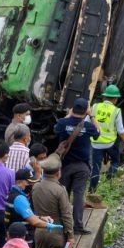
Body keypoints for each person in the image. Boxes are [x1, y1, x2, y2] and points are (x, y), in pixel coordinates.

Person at [53, 97, 100, 234]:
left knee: (63, 195)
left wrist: (69, 114)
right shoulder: (89, 127)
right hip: (82, 166)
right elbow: (99, 132)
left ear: (73, 109)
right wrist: (91, 115)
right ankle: (78, 226)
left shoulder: (62, 123)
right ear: (86, 110)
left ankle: (63, 225)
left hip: (65, 165)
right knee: (79, 195)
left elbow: (56, 129)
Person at [5, 168, 63, 248]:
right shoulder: (19, 199)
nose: (31, 185)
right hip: (21, 241)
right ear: (19, 182)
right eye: (29, 182)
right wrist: (49, 225)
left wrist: (41, 217)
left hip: (12, 238)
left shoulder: (11, 194)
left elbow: (25, 215)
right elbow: (33, 221)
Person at [89, 85, 124, 193]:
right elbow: (120, 130)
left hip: (95, 142)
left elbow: (88, 123)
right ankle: (108, 181)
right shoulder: (116, 111)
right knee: (116, 161)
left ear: (104, 97)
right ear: (115, 99)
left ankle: (91, 191)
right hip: (110, 143)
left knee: (96, 167)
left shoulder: (95, 107)